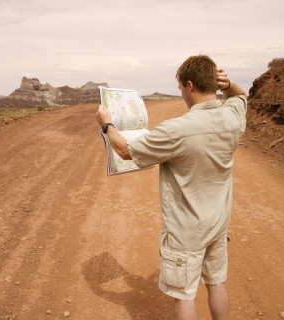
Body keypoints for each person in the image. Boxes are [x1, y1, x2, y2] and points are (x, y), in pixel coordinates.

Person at [96, 54, 247, 320]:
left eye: (180, 89)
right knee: (216, 283)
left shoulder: (176, 130)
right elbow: (240, 96)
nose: (181, 94)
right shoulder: (232, 118)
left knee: (184, 295)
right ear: (214, 82)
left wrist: (106, 125)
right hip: (218, 224)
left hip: (186, 232)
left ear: (189, 85)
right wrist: (229, 84)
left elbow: (125, 151)